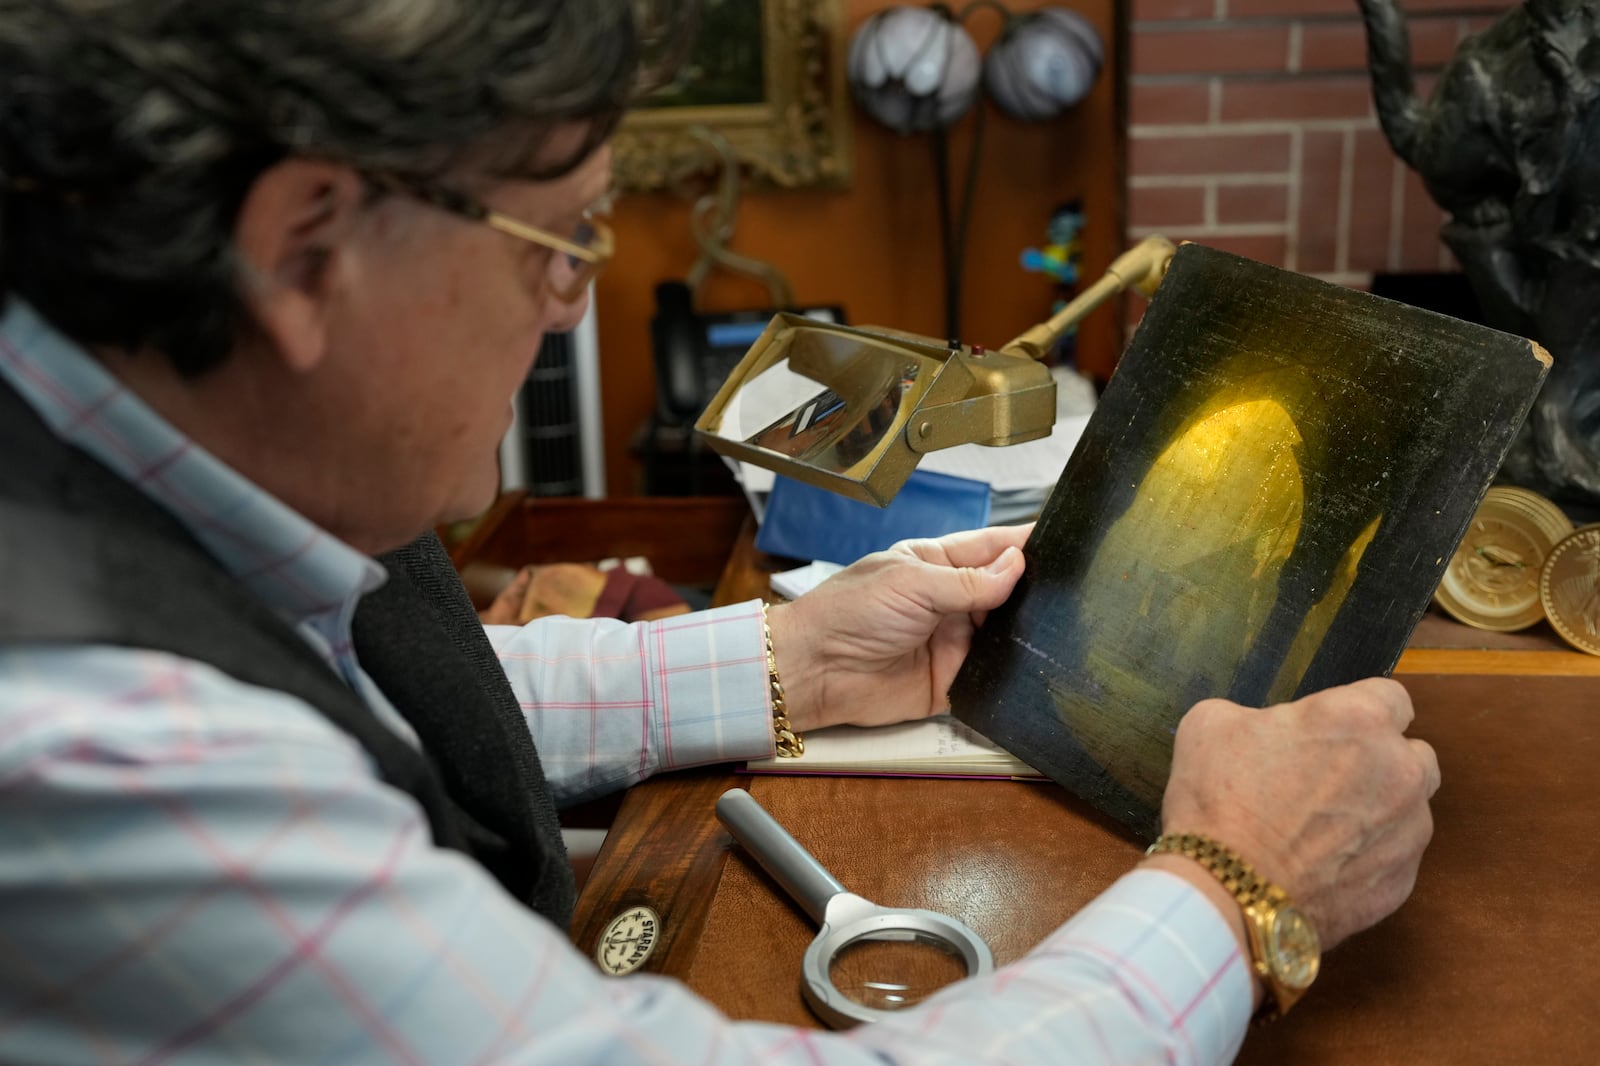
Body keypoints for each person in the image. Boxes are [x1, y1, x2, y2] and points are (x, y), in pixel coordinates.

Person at [0, 3, 1437, 1064]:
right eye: (565, 240)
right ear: (303, 247)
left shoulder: (141, 456)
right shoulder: (97, 740)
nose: (575, 304)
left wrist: (786, 662)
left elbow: (365, 687)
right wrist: (1231, 884)